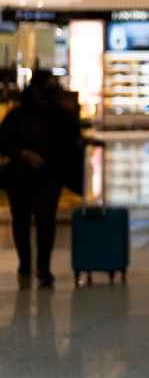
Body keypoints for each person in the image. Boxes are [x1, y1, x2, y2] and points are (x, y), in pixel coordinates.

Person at [0, 71, 84, 288]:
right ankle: (27, 266)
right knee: (24, 221)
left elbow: (72, 142)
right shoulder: (19, 116)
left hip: (48, 176)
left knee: (44, 222)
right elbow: (4, 143)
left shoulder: (58, 115)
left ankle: (41, 268)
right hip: (21, 176)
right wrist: (24, 154)